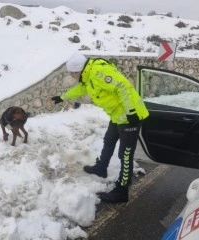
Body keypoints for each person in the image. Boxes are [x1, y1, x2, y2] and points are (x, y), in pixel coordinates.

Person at [51, 52, 149, 203]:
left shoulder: (98, 72)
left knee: (125, 153)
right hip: (118, 114)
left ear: (77, 70)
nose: (72, 76)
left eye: (72, 73)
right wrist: (62, 97)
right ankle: (102, 167)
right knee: (109, 140)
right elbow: (82, 89)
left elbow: (122, 87)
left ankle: (122, 190)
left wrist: (131, 112)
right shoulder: (88, 75)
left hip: (130, 115)